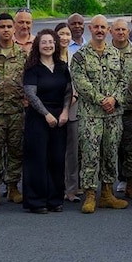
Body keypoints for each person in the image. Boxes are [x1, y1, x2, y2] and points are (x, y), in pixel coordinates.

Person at [71, 15, 128, 214]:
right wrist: (101, 99)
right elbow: (80, 83)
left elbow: (124, 80)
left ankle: (107, 193)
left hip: (113, 114)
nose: (100, 30)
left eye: (103, 27)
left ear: (108, 30)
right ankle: (90, 194)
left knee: (111, 152)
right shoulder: (80, 56)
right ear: (90, 29)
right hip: (91, 114)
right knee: (90, 154)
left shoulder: (117, 55)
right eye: (96, 27)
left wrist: (114, 99)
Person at [21, 29, 73, 214]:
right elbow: (30, 94)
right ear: (38, 45)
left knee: (57, 159)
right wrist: (46, 114)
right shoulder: (32, 68)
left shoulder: (61, 66)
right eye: (44, 42)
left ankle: (55, 199)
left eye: (51, 42)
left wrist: (65, 111)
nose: (48, 45)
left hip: (60, 117)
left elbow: (68, 91)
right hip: (38, 117)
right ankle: (37, 201)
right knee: (38, 159)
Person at [0, 13, 26, 206]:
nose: (6, 30)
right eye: (2, 27)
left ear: (14, 28)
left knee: (16, 150)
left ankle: (13, 186)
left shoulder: (23, 55)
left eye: (9, 26)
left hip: (16, 110)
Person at [111, 17, 132, 199]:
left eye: (124, 30)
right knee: (111, 147)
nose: (121, 32)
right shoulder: (104, 52)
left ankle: (131, 182)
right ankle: (112, 182)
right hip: (109, 109)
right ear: (111, 32)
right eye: (117, 30)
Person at [53, 22, 81, 202]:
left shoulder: (76, 57)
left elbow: (78, 86)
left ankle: (72, 189)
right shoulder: (48, 57)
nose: (64, 37)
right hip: (51, 109)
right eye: (61, 34)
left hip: (72, 108)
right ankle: (55, 186)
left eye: (67, 34)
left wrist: (68, 105)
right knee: (54, 151)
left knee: (72, 152)